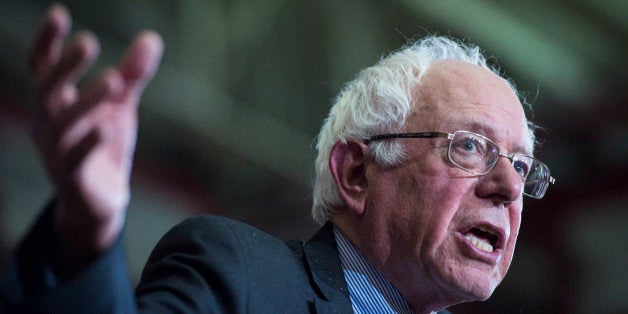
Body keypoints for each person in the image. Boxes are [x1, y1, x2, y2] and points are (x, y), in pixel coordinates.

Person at [0, 3, 555, 314]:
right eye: (470, 147)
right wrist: (85, 232)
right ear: (357, 173)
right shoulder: (239, 275)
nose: (508, 186)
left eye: (522, 165)